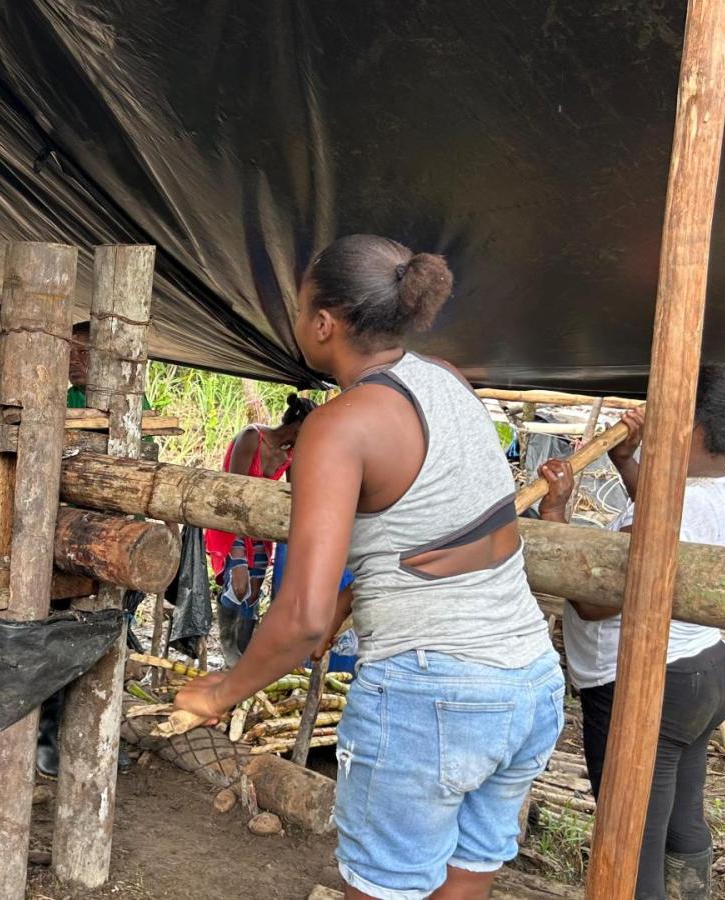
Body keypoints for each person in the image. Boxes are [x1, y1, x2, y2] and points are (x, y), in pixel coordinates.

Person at [174, 234, 561, 900]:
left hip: (432, 691)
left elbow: (300, 620)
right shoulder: (446, 381)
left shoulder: (341, 425)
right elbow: (451, 538)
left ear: (323, 323)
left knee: (385, 885)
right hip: (527, 681)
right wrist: (353, 606)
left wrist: (219, 693)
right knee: (467, 871)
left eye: (299, 310)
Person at [541, 372, 725, 900]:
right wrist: (626, 462)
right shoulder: (719, 486)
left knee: (631, 840)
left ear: (692, 426)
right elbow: (655, 510)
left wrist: (555, 513)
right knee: (680, 819)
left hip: (647, 684)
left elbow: (595, 601)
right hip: (706, 671)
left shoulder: (678, 506)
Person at [35, 319, 144, 779]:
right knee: (57, 640)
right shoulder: (56, 399)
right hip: (63, 539)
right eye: (72, 354)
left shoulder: (128, 404)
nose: (77, 363)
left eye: (87, 354)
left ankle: (97, 736)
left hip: (112, 544)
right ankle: (48, 741)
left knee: (106, 643)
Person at [204, 393, 316, 666]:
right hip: (230, 522)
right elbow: (234, 490)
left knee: (253, 593)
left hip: (258, 529)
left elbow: (291, 493)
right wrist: (239, 539)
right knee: (238, 584)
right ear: (299, 425)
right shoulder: (252, 437)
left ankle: (242, 659)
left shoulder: (290, 454)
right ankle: (229, 649)